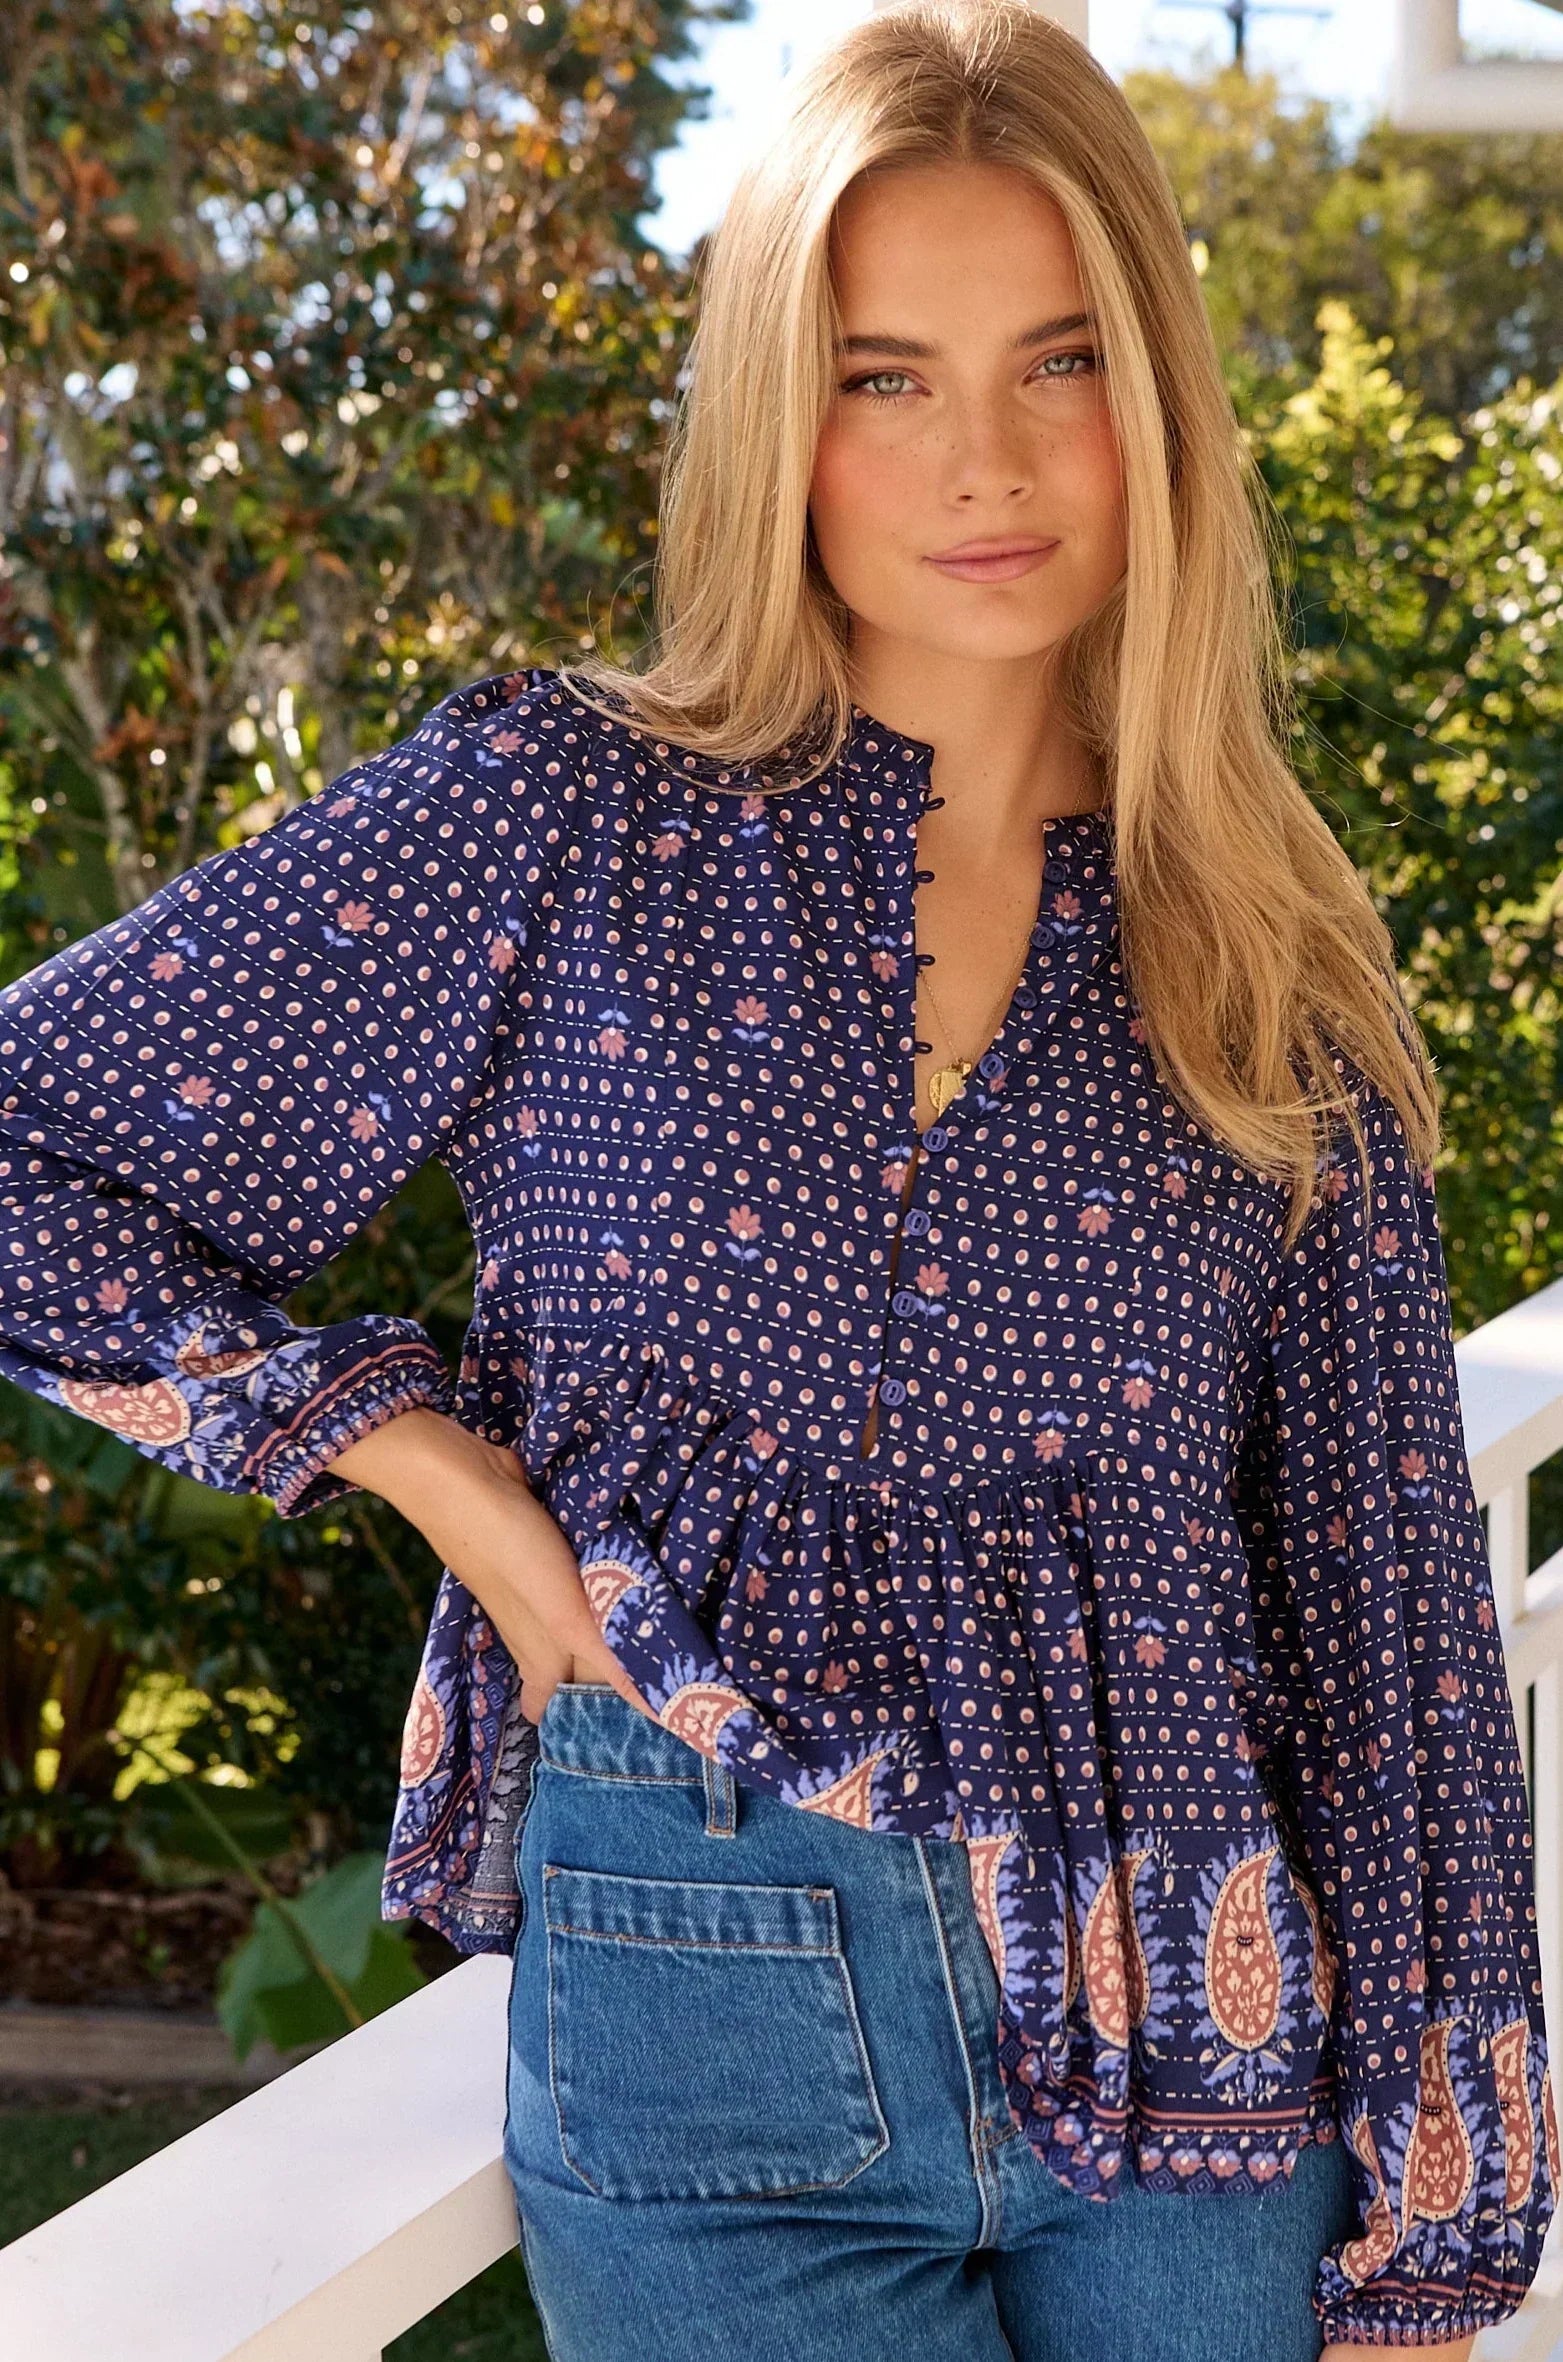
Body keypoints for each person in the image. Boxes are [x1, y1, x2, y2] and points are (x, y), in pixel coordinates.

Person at [0, 2, 1552, 2354]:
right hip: (701, 1979)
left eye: (1056, 361)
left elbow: (1383, 1608)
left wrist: (1441, 2225)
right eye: (883, 376)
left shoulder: (1268, 948)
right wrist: (425, 1466)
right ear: (777, 420)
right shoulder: (565, 814)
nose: (987, 459)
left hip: (1204, 2060)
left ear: (1154, 402)